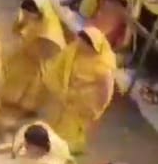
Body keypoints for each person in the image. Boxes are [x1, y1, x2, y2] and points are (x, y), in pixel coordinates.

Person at [43, 27, 116, 155]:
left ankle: (62, 151)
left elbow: (106, 90)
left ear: (93, 47)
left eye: (84, 43)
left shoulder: (103, 66)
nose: (79, 44)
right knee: (58, 121)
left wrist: (99, 107)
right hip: (66, 95)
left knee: (69, 129)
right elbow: (61, 64)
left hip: (82, 103)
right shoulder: (74, 50)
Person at [2, 0, 66, 114]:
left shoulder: (49, 28)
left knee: (35, 80)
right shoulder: (30, 15)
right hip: (31, 49)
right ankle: (13, 98)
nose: (25, 16)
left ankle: (29, 106)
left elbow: (48, 47)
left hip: (43, 54)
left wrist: (32, 51)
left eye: (28, 14)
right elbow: (19, 27)